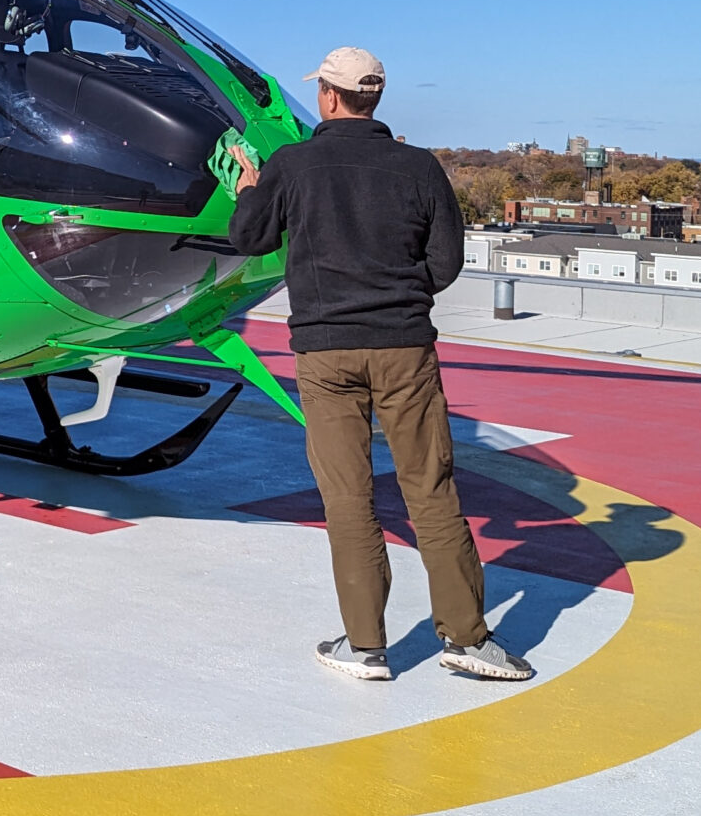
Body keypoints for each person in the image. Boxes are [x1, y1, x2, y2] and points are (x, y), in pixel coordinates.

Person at [219, 46, 533, 682]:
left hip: (325, 351)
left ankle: (365, 648)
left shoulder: (292, 165)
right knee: (432, 491)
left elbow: (249, 239)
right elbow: (444, 264)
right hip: (403, 347)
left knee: (348, 499)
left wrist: (250, 190)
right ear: (376, 99)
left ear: (328, 97)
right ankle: (467, 640)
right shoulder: (419, 168)